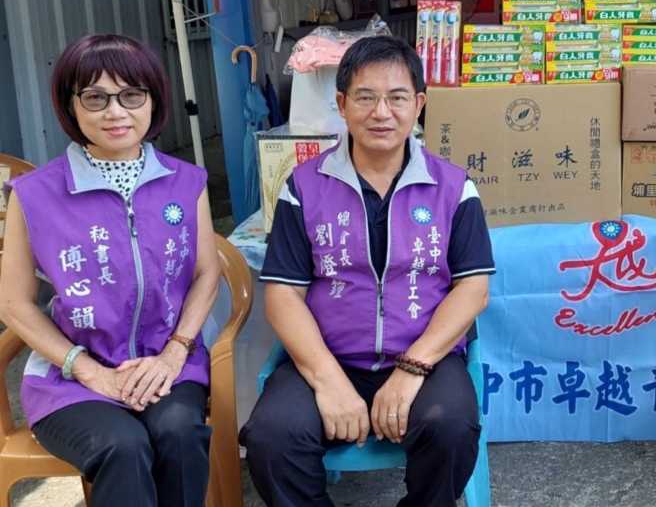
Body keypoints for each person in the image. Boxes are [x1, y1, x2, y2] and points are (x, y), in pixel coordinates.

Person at [241, 36, 493, 507]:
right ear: (341, 104)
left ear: (418, 104)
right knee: (272, 438)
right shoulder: (304, 187)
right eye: (365, 96)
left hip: (423, 356)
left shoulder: (454, 187)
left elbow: (473, 289)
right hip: (329, 357)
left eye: (397, 97)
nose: (382, 112)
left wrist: (413, 367)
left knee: (450, 425)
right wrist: (328, 380)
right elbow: (281, 295)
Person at [0, 34, 220, 506]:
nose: (115, 112)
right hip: (71, 376)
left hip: (168, 366)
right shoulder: (34, 194)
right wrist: (87, 371)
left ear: (153, 100)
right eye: (95, 97)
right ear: (71, 105)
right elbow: (14, 303)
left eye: (131, 95)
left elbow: (206, 273)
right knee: (122, 446)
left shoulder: (187, 181)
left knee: (179, 434)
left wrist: (175, 353)